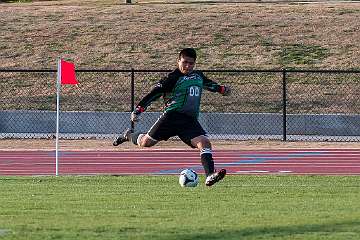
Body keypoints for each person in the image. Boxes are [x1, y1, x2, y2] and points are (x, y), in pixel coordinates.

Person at [113, 48, 231, 186]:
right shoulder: (172, 78)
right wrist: (138, 110)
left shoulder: (198, 76)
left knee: (204, 142)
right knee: (146, 143)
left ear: (195, 64)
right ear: (178, 61)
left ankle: (210, 175)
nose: (187, 66)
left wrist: (222, 89)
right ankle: (128, 135)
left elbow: (209, 84)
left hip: (189, 120)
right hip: (171, 118)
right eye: (185, 62)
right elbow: (153, 94)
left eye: (191, 63)